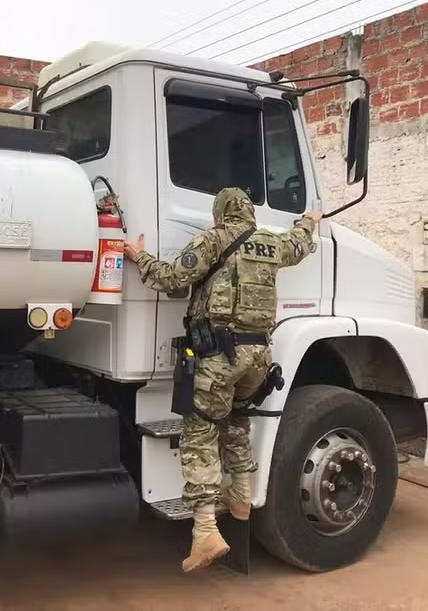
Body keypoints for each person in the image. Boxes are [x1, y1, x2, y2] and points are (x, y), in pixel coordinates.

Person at [123, 187, 321, 573]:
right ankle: (241, 498)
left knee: (199, 435)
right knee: (237, 423)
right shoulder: (270, 243)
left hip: (220, 357)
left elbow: (172, 279)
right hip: (258, 358)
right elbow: (298, 244)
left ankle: (205, 531)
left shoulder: (213, 239)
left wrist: (138, 256)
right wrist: (309, 221)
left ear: (220, 213)